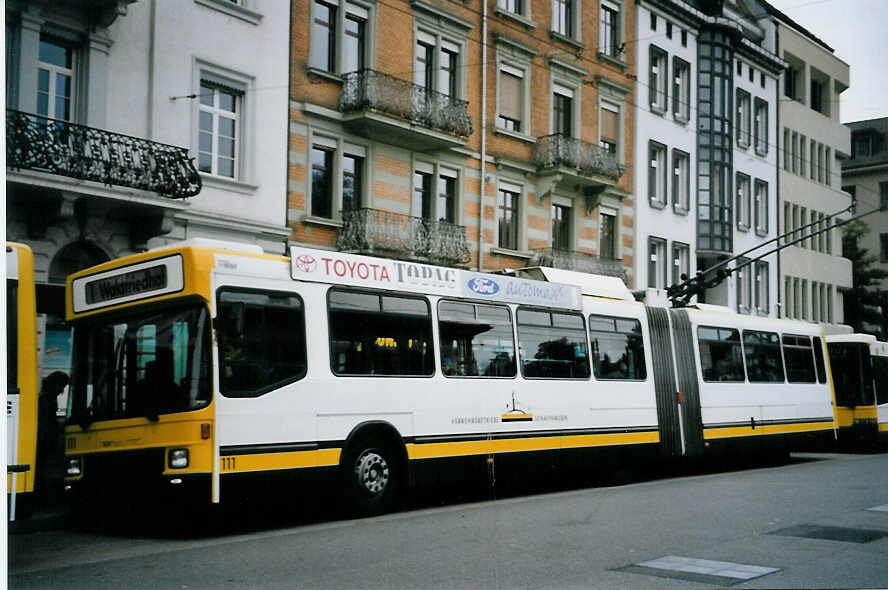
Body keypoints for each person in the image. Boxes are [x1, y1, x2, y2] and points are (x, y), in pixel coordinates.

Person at [37, 371, 69, 496]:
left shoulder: (48, 398)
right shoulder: (45, 400)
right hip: (45, 442)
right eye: (61, 386)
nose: (61, 390)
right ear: (54, 384)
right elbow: (47, 423)